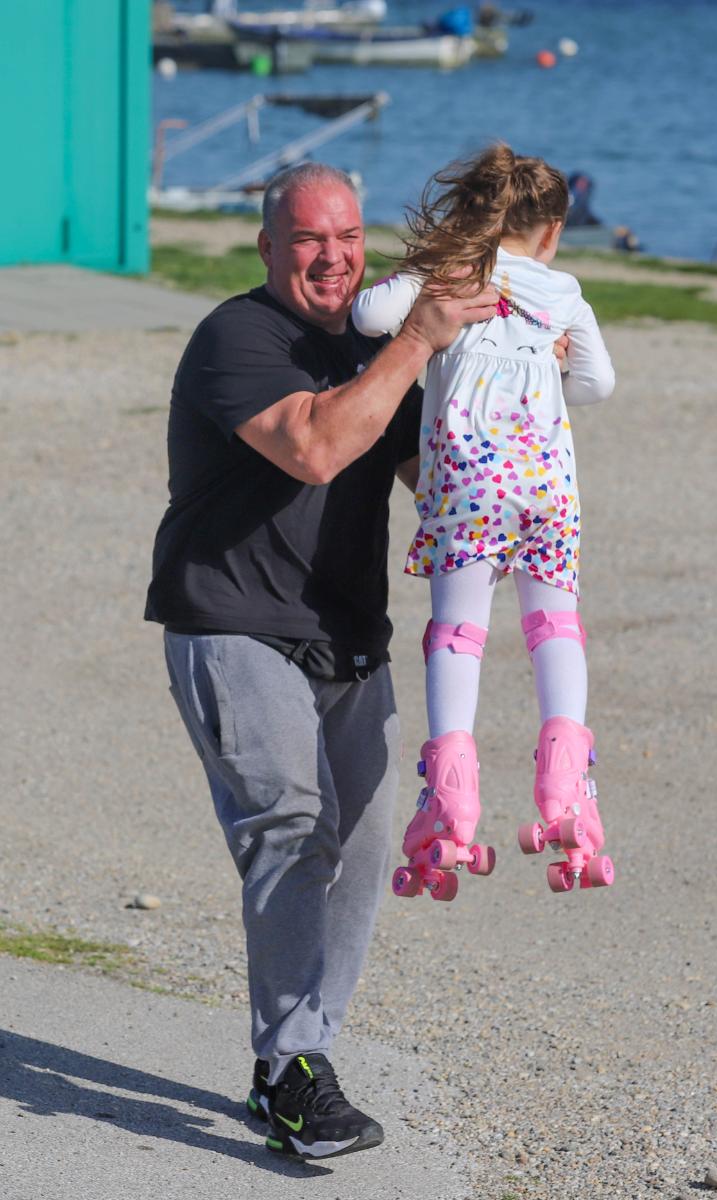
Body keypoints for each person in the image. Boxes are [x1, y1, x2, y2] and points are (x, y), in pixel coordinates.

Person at [144, 161, 498, 1161]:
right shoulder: (237, 338)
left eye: (347, 238)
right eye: (308, 239)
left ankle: (294, 1067)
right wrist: (417, 341)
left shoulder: (378, 349)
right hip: (232, 621)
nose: (333, 257)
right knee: (295, 828)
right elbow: (315, 446)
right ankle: (296, 1067)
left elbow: (438, 481)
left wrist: (521, 385)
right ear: (269, 248)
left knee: (363, 848)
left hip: (346, 635)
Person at [351, 144, 616, 901]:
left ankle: (452, 795)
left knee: (458, 633)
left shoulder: (452, 275)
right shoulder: (564, 293)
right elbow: (599, 383)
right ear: (553, 230)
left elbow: (369, 316)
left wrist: (431, 269)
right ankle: (566, 786)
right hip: (547, 489)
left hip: (470, 484)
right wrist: (552, 367)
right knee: (554, 627)